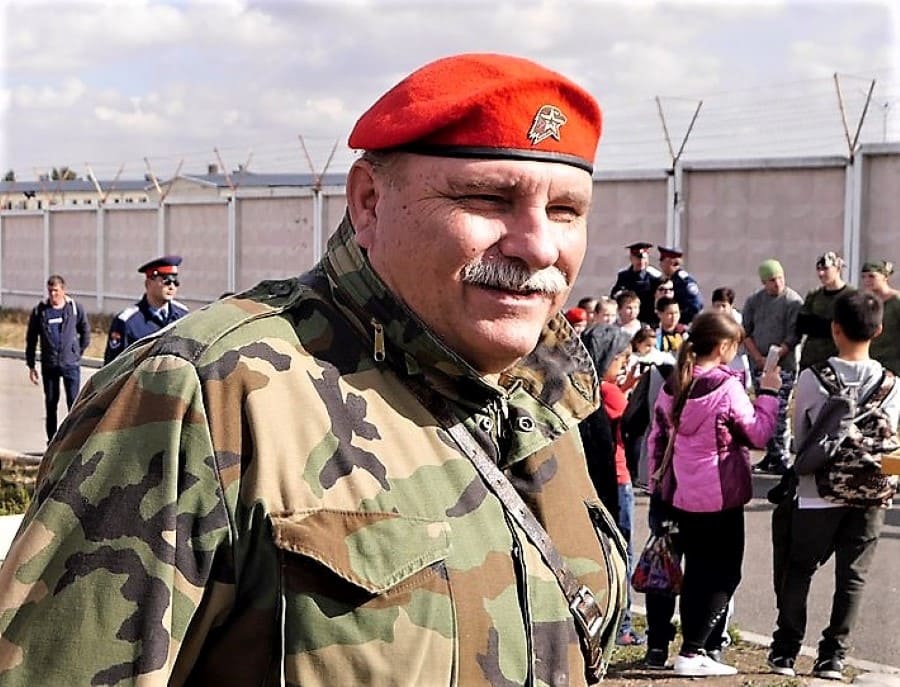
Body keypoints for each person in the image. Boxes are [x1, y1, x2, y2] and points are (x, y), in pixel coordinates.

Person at [0, 53, 628, 686]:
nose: (539, 246)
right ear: (369, 202)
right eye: (489, 198)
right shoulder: (208, 394)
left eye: (566, 211)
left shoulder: (544, 397)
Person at [767, 290, 900, 681]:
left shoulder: (813, 377)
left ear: (835, 329)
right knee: (852, 577)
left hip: (816, 493)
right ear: (878, 329)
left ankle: (785, 650)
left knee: (799, 569)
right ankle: (833, 657)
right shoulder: (893, 385)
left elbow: (801, 438)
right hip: (872, 492)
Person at [645, 311, 779, 677]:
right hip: (719, 494)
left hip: (678, 493)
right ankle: (693, 649)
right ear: (722, 347)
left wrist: (657, 489)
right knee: (722, 575)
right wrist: (769, 393)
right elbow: (757, 434)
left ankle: (688, 648)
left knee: (693, 573)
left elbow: (656, 440)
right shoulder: (726, 387)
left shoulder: (673, 385)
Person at [580, 325, 644, 648]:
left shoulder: (584, 388)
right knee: (622, 552)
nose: (624, 367)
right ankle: (622, 624)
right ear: (605, 358)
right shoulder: (607, 391)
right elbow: (633, 415)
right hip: (617, 480)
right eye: (621, 360)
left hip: (596, 480)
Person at [740, 260, 803, 474]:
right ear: (764, 282)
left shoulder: (793, 301)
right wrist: (758, 357)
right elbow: (746, 332)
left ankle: (782, 455)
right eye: (772, 280)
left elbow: (794, 335)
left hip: (782, 365)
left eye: (780, 278)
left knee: (780, 411)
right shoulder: (754, 301)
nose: (777, 284)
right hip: (759, 363)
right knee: (764, 408)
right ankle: (770, 454)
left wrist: (776, 356)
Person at [24, 274, 91, 442]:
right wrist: (31, 365)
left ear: (63, 290)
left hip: (70, 365)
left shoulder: (74, 308)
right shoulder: (40, 311)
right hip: (50, 365)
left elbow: (85, 331)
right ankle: (52, 442)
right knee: (51, 403)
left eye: (55, 291)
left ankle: (73, 441)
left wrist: (77, 352)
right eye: (50, 291)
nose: (53, 294)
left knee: (74, 404)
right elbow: (31, 339)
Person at [103, 255, 189, 364]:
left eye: (175, 282)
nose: (172, 287)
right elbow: (113, 366)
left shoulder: (183, 315)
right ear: (148, 283)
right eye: (167, 281)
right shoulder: (127, 322)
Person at [797, 251, 854, 370]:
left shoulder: (851, 295)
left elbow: (849, 327)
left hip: (837, 358)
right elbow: (802, 325)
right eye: (818, 269)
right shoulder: (814, 295)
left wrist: (817, 323)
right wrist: (828, 325)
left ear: (838, 269)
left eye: (826, 269)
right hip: (811, 358)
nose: (821, 273)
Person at [860, 259, 900, 374]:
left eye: (871, 276)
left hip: (893, 365)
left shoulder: (896, 301)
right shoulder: (866, 302)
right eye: (863, 277)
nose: (866, 280)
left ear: (885, 277)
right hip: (870, 365)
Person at [610, 241, 662, 324]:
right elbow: (615, 295)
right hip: (628, 318)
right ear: (631, 258)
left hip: (648, 318)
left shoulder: (655, 277)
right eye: (638, 258)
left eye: (644, 258)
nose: (641, 261)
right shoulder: (623, 275)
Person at [657, 245, 703, 324]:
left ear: (671, 262)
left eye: (662, 261)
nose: (660, 265)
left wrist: (679, 320)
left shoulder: (684, 281)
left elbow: (696, 306)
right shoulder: (671, 280)